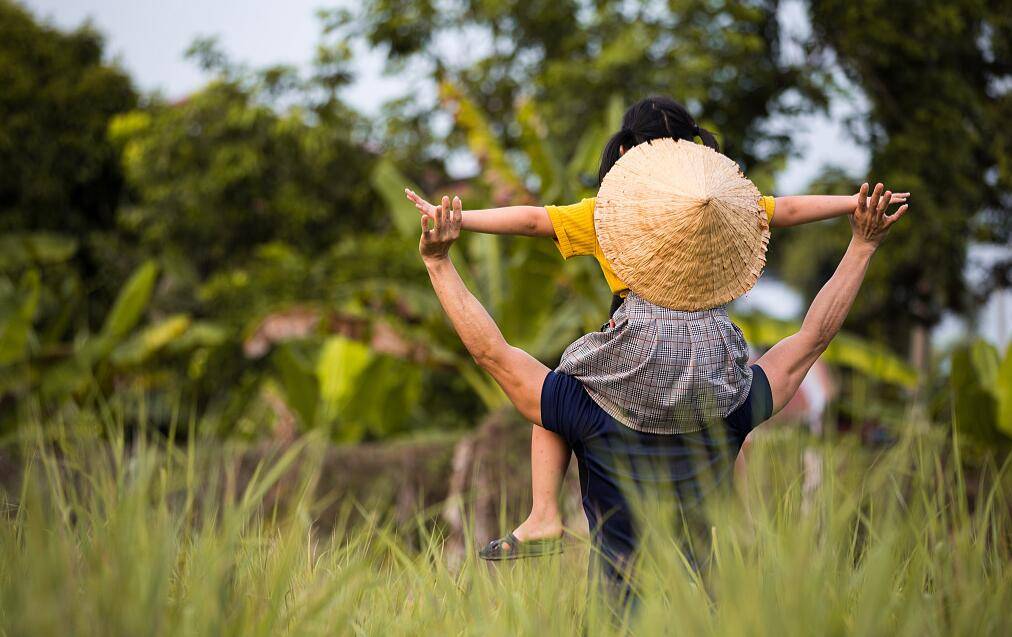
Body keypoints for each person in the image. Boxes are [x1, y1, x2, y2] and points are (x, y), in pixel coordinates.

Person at [405, 96, 909, 557]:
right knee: (752, 400)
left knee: (559, 388)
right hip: (709, 357)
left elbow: (534, 224)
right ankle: (732, 524)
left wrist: (460, 222)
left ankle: (543, 515)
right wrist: (856, 214)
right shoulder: (726, 208)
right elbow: (796, 227)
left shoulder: (607, 211)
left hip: (633, 355)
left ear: (624, 150)